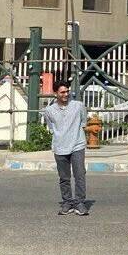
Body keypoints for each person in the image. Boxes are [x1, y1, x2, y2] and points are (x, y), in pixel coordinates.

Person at [43, 82, 89, 216]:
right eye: (62, 92)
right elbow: (51, 127)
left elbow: (83, 122)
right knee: (64, 177)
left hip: (77, 145)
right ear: (55, 94)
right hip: (59, 146)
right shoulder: (49, 111)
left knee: (80, 175)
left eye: (67, 91)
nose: (66, 94)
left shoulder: (78, 106)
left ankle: (80, 202)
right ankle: (67, 202)